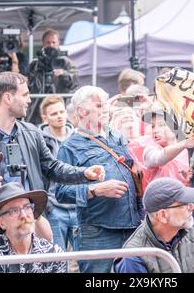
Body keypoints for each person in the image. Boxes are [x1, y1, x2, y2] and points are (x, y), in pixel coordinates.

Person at [0, 72, 104, 195]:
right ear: (8, 98)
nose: (29, 100)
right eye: (25, 95)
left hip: (30, 218)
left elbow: (52, 168)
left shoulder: (32, 133)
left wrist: (83, 173)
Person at [56, 85, 143, 273]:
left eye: (105, 105)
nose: (105, 109)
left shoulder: (118, 137)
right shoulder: (69, 147)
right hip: (98, 232)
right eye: (98, 106)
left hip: (133, 226)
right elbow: (61, 193)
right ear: (81, 111)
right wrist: (96, 190)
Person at [114, 177, 194, 273]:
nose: (193, 207)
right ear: (162, 215)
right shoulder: (133, 256)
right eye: (185, 204)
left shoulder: (192, 227)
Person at [0, 182, 67, 273]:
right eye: (14, 211)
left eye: (27, 207)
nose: (24, 215)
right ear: (1, 222)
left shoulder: (52, 253)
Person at [38, 95, 79, 253]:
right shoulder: (39, 140)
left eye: (61, 112)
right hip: (54, 208)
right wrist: (47, 205)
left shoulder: (77, 137)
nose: (60, 116)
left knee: (84, 260)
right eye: (54, 114)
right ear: (45, 117)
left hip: (77, 206)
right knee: (56, 258)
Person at [143, 110, 194, 186]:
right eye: (152, 126)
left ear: (175, 126)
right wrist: (185, 143)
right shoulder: (150, 150)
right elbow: (159, 158)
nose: (155, 130)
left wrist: (186, 177)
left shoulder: (191, 151)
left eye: (162, 125)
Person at [28, 29, 78, 94]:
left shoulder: (65, 62)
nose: (51, 45)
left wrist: (63, 74)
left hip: (60, 100)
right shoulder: (35, 64)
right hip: (40, 101)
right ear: (43, 43)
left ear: (58, 43)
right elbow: (28, 83)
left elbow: (75, 82)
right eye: (48, 43)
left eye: (53, 42)